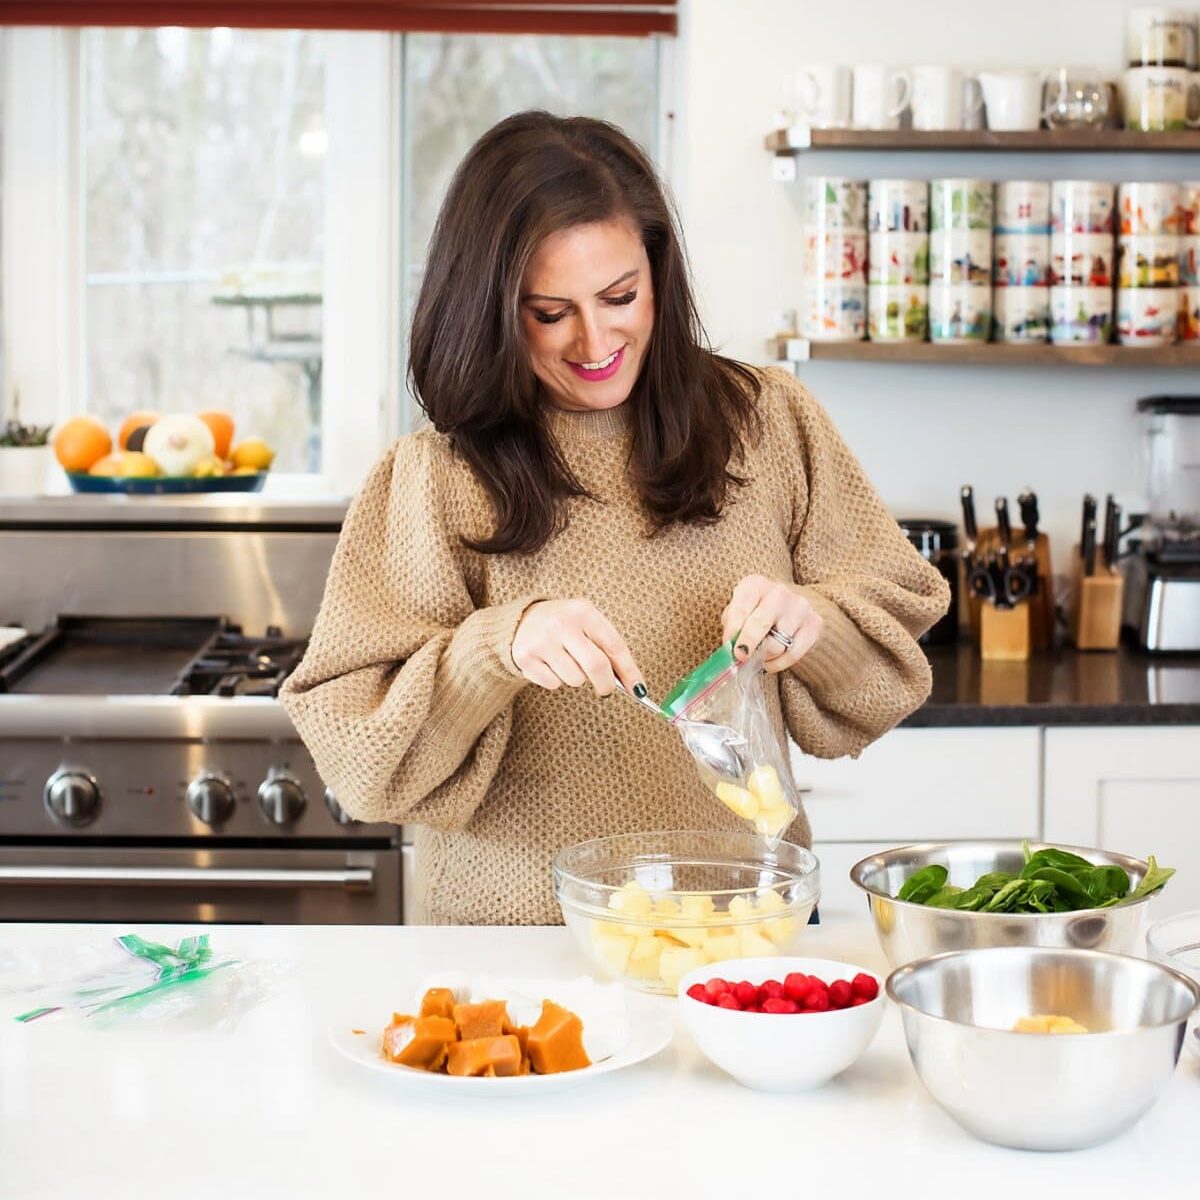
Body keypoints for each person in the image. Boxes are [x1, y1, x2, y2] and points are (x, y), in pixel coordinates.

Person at [280, 111, 949, 926]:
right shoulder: (432, 475)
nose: (596, 340)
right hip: (521, 948)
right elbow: (361, 764)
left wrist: (816, 624)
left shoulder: (768, 420)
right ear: (490, 309)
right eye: (549, 313)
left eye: (621, 296)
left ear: (658, 271)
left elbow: (886, 676)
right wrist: (496, 649)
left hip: (747, 934)